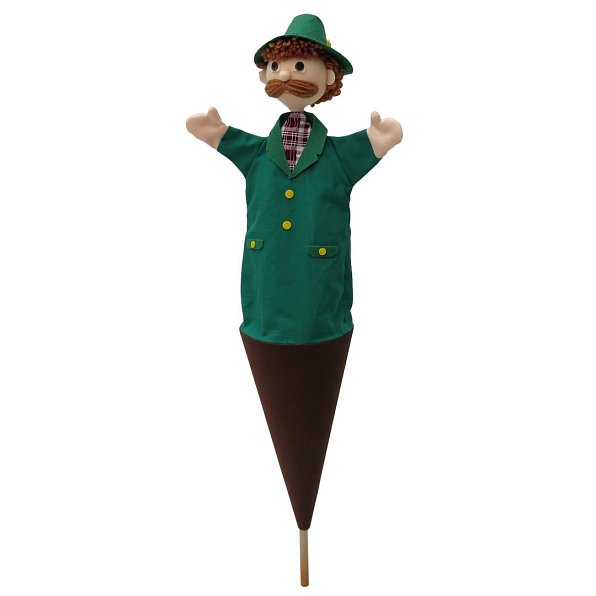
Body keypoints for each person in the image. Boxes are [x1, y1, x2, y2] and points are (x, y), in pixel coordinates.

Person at [186, 13, 402, 585]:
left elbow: (366, 148)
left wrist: (379, 142)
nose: (285, 76)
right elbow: (233, 144)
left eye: (299, 64)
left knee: (307, 432)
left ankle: (305, 514)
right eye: (276, 66)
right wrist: (216, 133)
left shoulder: (338, 155)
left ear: (329, 77)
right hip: (263, 301)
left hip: (320, 308)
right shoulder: (259, 152)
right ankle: (300, 515)